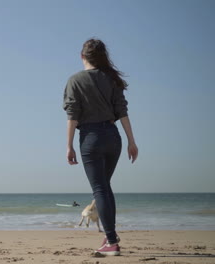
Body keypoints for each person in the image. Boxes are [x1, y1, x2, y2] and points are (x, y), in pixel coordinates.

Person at [63, 38, 138, 256]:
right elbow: (122, 111)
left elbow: (72, 115)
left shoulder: (75, 80)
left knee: (100, 189)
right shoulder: (112, 79)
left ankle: (112, 242)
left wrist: (68, 145)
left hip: (91, 138)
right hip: (114, 138)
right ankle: (110, 236)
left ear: (82, 56)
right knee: (104, 187)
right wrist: (132, 142)